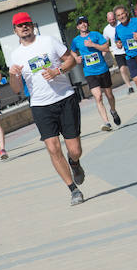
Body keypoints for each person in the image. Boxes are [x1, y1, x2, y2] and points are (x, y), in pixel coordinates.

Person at [6, 12, 87, 206]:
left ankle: (74, 163)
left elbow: (71, 60)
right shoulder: (16, 55)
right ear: (15, 30)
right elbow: (17, 89)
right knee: (52, 148)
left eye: (26, 24)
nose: (24, 27)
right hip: (40, 105)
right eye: (19, 25)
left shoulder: (49, 41)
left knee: (74, 149)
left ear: (32, 25)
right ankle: (73, 190)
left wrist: (57, 71)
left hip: (65, 98)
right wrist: (13, 75)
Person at [70, 15, 121, 131]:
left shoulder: (96, 35)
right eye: (80, 23)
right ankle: (106, 122)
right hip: (89, 72)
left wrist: (93, 45)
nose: (83, 25)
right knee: (98, 97)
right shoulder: (76, 40)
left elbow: (106, 48)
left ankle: (113, 110)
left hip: (102, 69)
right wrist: (76, 58)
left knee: (109, 95)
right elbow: (72, 52)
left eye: (85, 22)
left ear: (87, 24)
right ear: (78, 27)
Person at [102, 10, 135, 94]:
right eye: (110, 20)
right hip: (117, 52)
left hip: (128, 49)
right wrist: (102, 55)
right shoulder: (106, 30)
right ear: (107, 20)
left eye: (113, 19)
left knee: (132, 67)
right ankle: (129, 86)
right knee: (122, 69)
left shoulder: (121, 23)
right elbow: (105, 44)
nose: (112, 21)